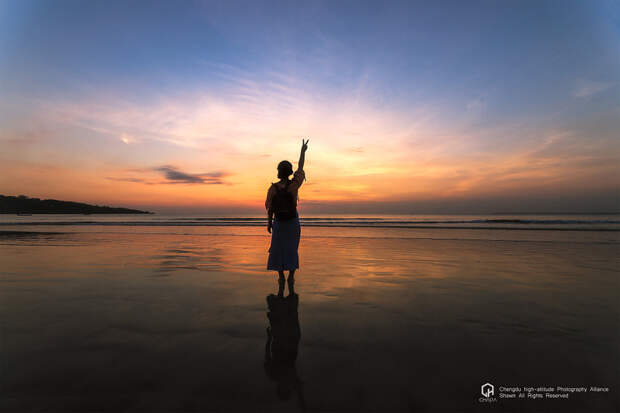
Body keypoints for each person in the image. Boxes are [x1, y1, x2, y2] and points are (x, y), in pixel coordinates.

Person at [265, 139, 308, 288]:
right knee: (291, 249)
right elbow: (301, 168)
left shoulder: (273, 188)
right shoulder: (294, 185)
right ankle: (291, 276)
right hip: (292, 222)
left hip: (279, 223)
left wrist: (269, 223)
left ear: (278, 172)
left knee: (277, 249)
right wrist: (302, 152)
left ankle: (281, 277)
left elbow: (269, 207)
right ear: (289, 172)